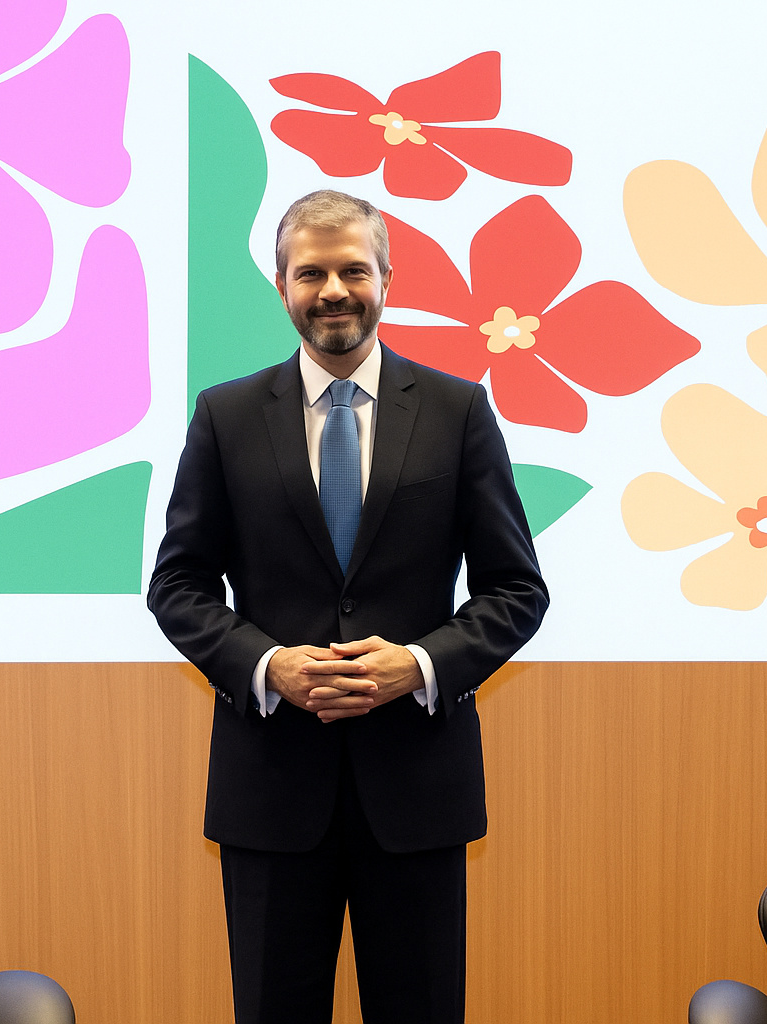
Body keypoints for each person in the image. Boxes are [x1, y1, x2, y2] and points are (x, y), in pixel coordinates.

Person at [147, 189, 548, 1024]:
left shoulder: (458, 412)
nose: (334, 290)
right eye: (311, 273)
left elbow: (517, 589)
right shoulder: (224, 416)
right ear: (282, 287)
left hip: (417, 792)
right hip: (269, 792)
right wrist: (267, 666)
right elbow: (177, 585)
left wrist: (420, 664)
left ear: (386, 280)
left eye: (353, 271)